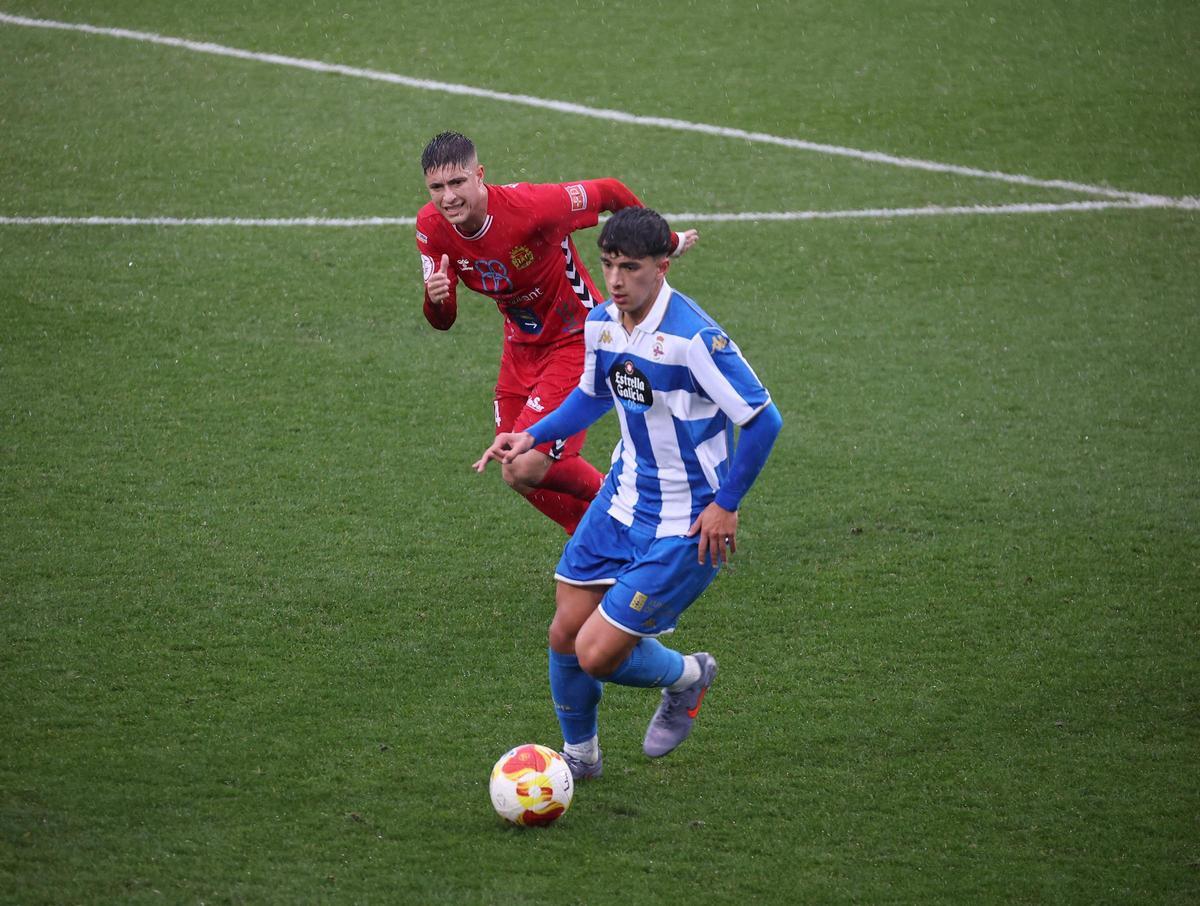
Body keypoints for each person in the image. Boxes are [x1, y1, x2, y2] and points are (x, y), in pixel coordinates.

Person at [474, 207, 783, 778]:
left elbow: (764, 420)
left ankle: (689, 676)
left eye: (631, 268)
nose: (616, 280)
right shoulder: (603, 322)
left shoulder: (693, 339)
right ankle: (581, 758)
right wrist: (533, 433)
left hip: (687, 524)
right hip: (621, 502)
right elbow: (594, 395)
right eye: (609, 265)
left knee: (596, 653)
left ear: (662, 267)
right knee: (565, 630)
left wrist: (727, 504)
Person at [417, 131, 698, 534]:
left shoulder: (533, 207)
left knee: (527, 460)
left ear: (479, 175)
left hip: (577, 338)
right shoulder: (431, 227)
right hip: (520, 348)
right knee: (514, 470)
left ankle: (626, 505)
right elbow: (442, 320)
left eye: (458, 182)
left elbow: (608, 192)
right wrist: (437, 298)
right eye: (437, 188)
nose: (448, 198)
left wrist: (667, 243)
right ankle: (601, 543)